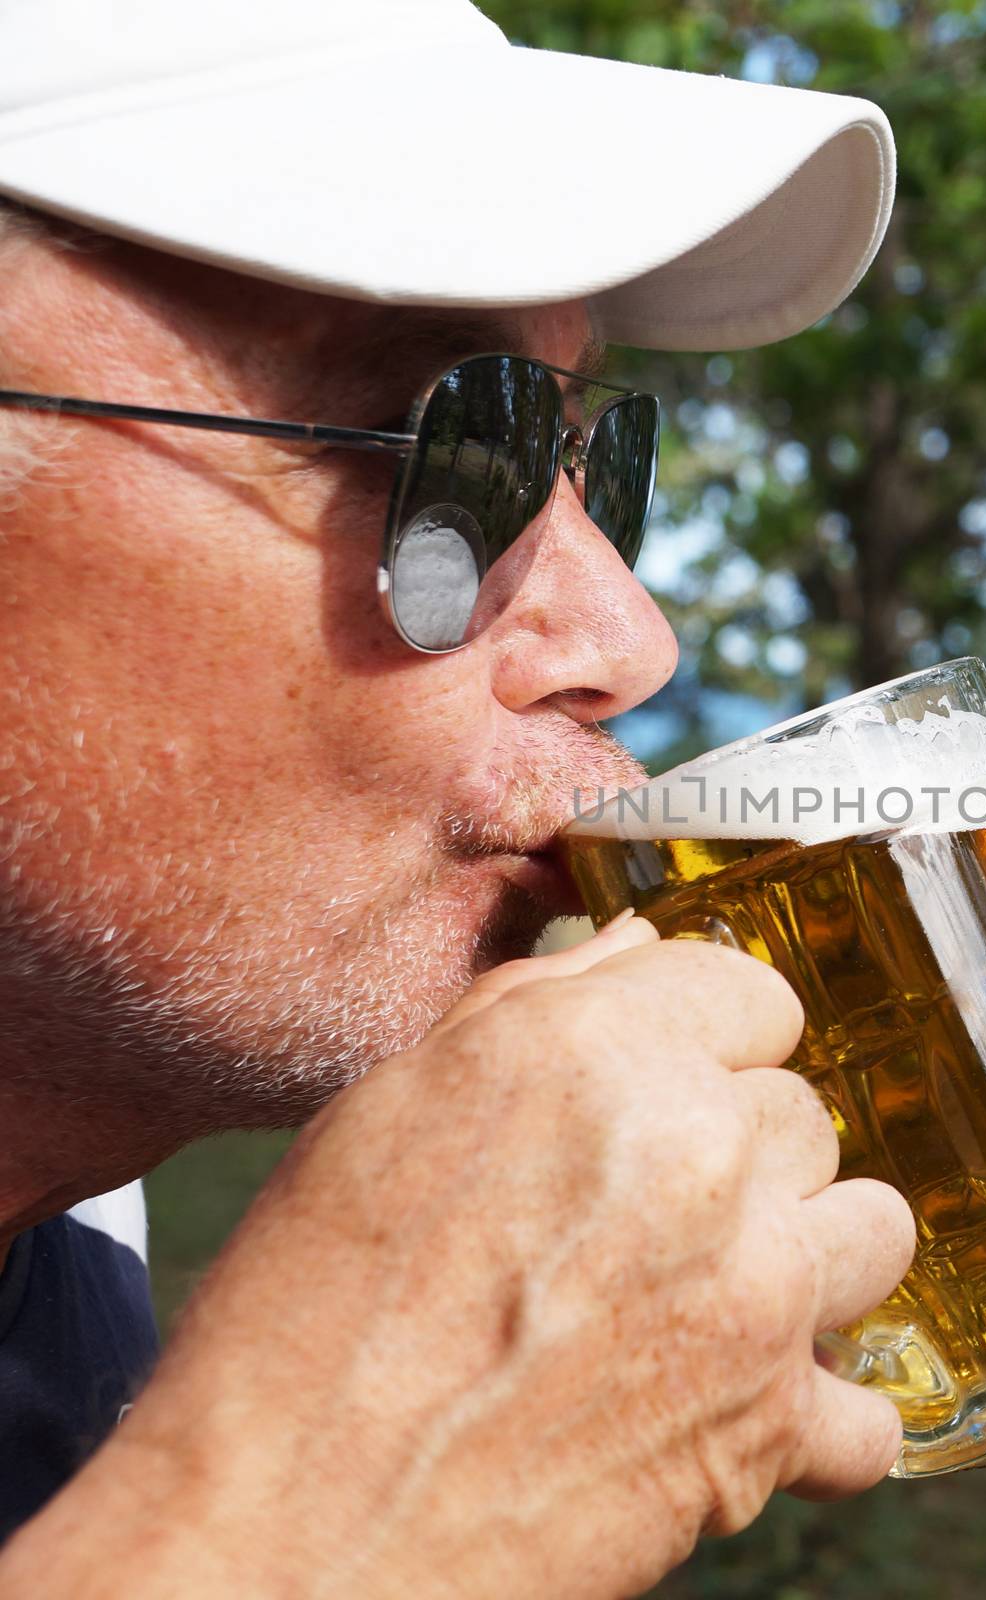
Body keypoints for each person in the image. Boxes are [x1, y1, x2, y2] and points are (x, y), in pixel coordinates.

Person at [0, 1, 916, 1593]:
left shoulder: (71, 1210)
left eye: (587, 462)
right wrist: (313, 1521)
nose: (631, 638)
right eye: (454, 453)